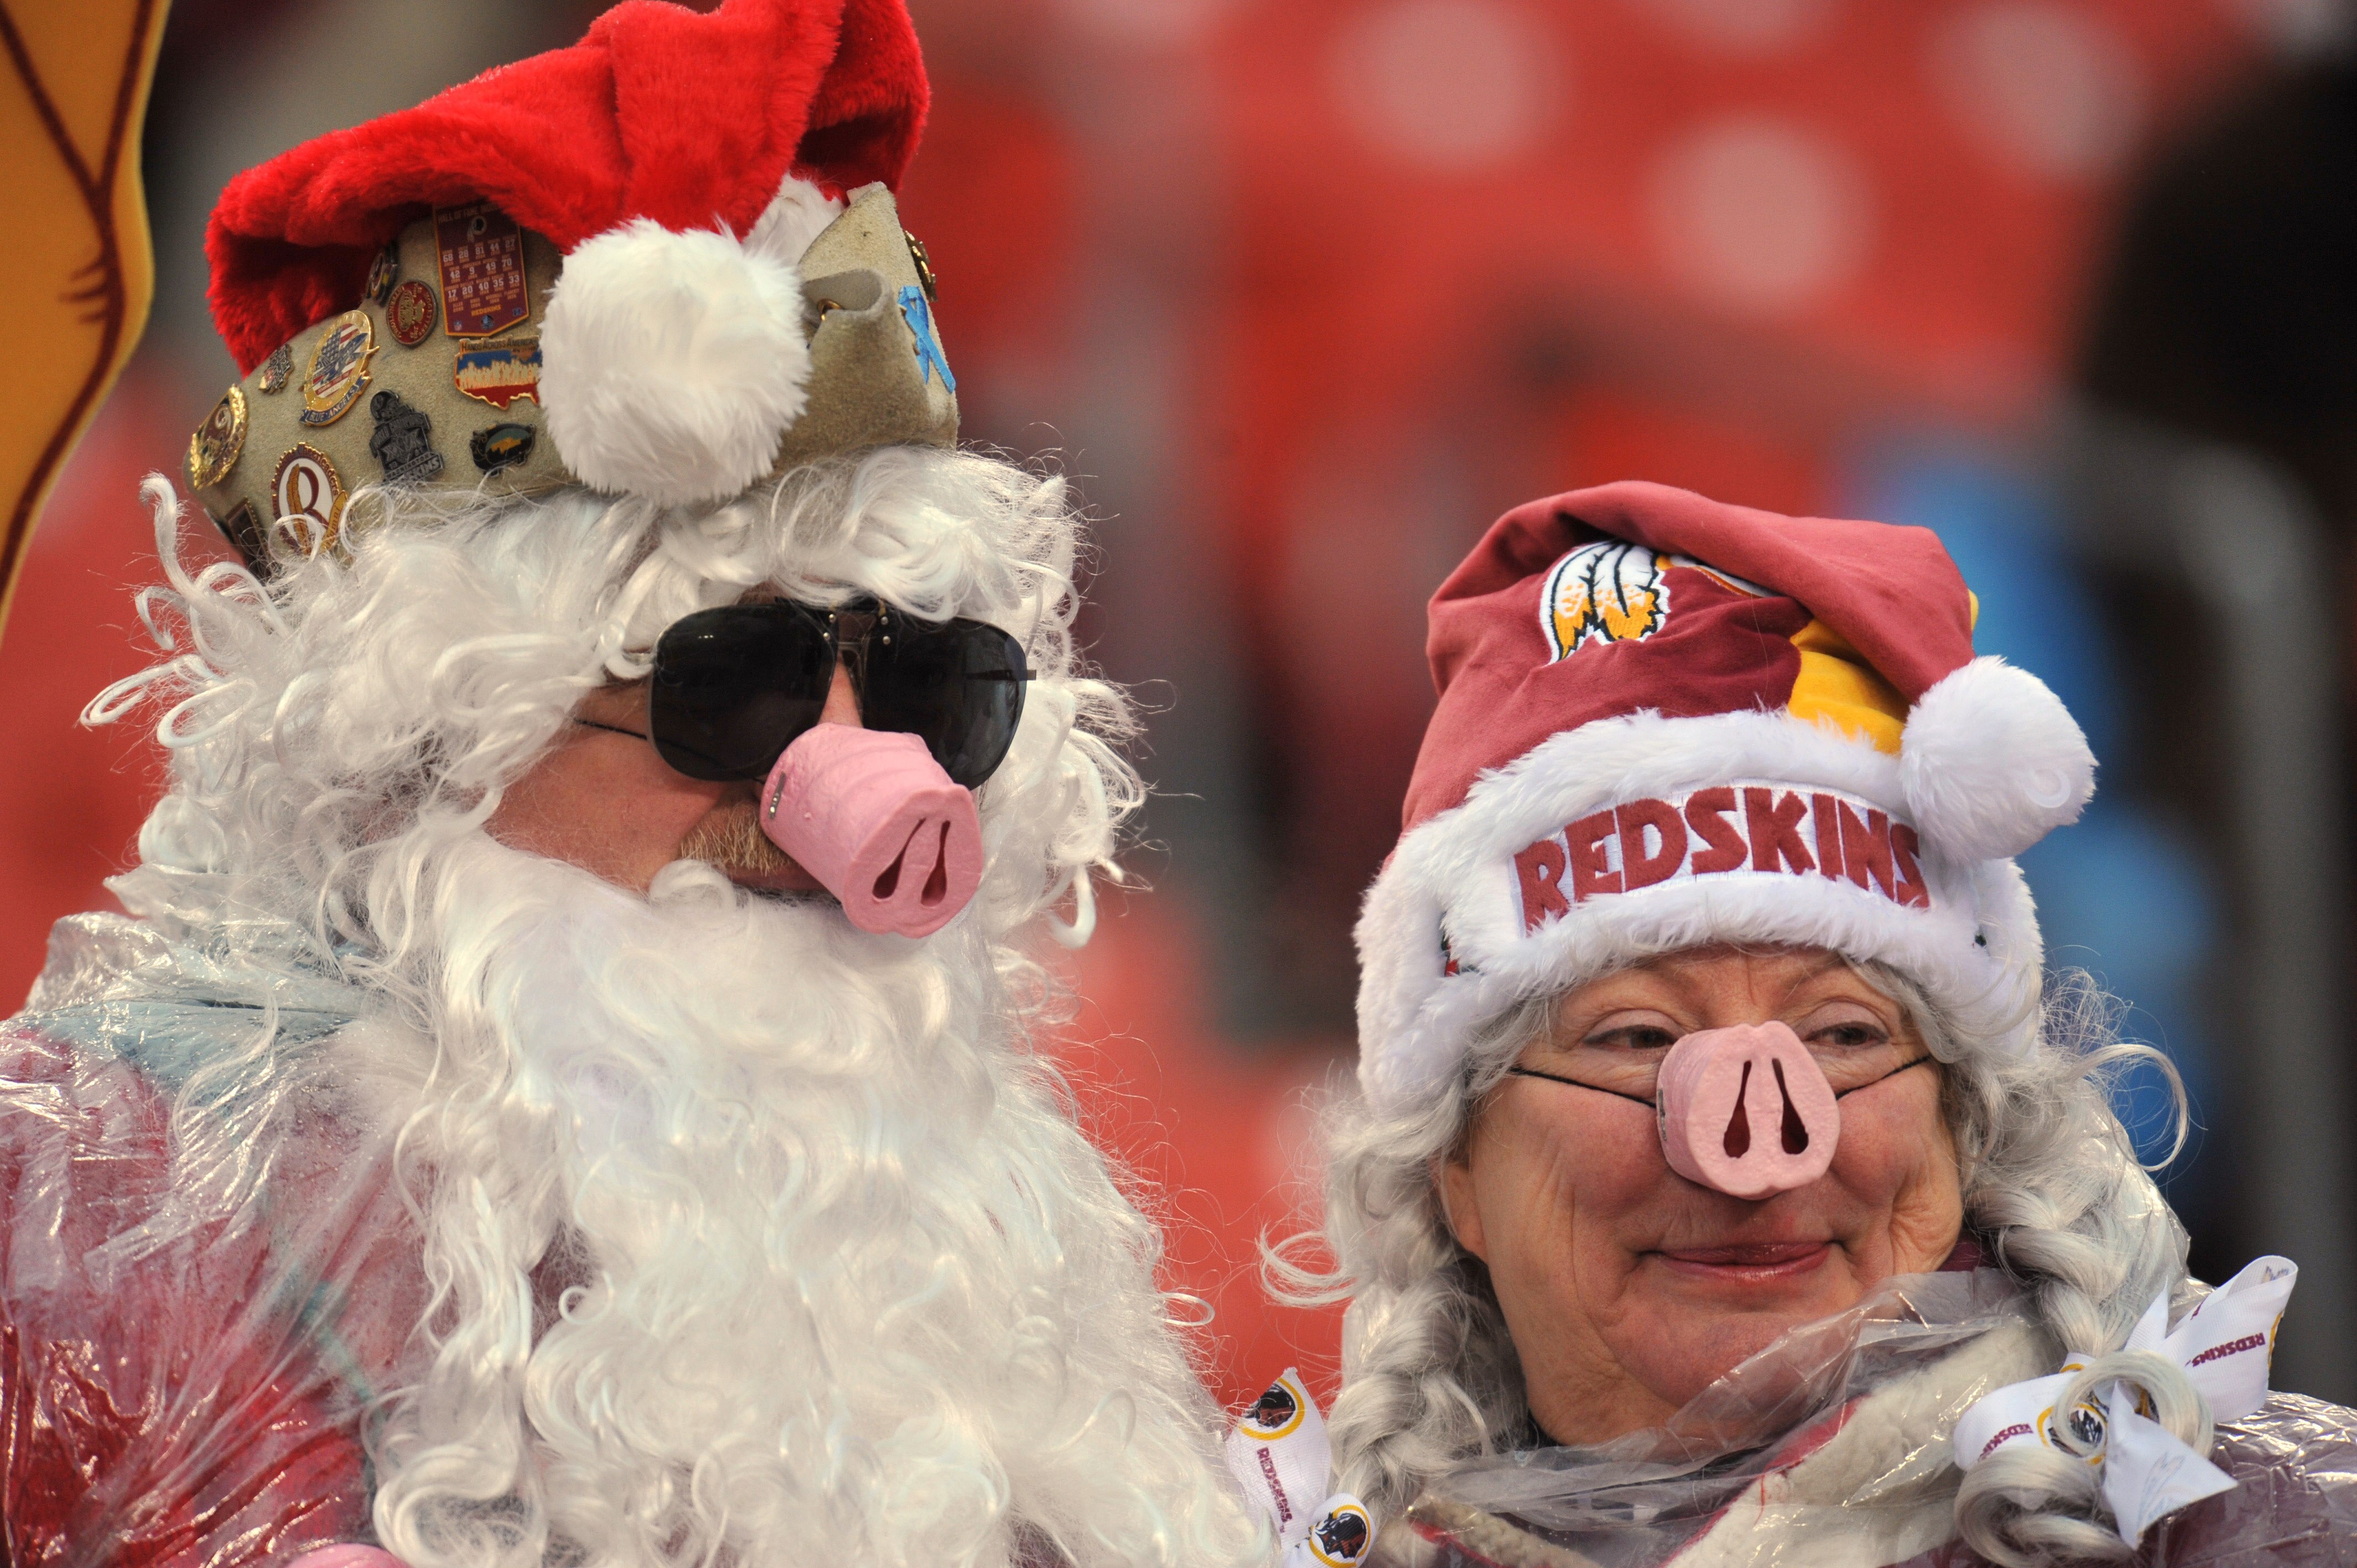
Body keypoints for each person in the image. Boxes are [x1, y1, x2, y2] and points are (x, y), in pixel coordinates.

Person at [0, 3, 1266, 1566]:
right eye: (730, 688)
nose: (847, 799)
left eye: (936, 690)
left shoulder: (998, 1274)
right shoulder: (107, 1199)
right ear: (435, 744)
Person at [1284, 482, 2357, 1566]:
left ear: (1965, 1127)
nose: (1752, 1152)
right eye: (1635, 1039)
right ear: (1452, 1172)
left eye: (1843, 1036)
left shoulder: (2266, 1534)